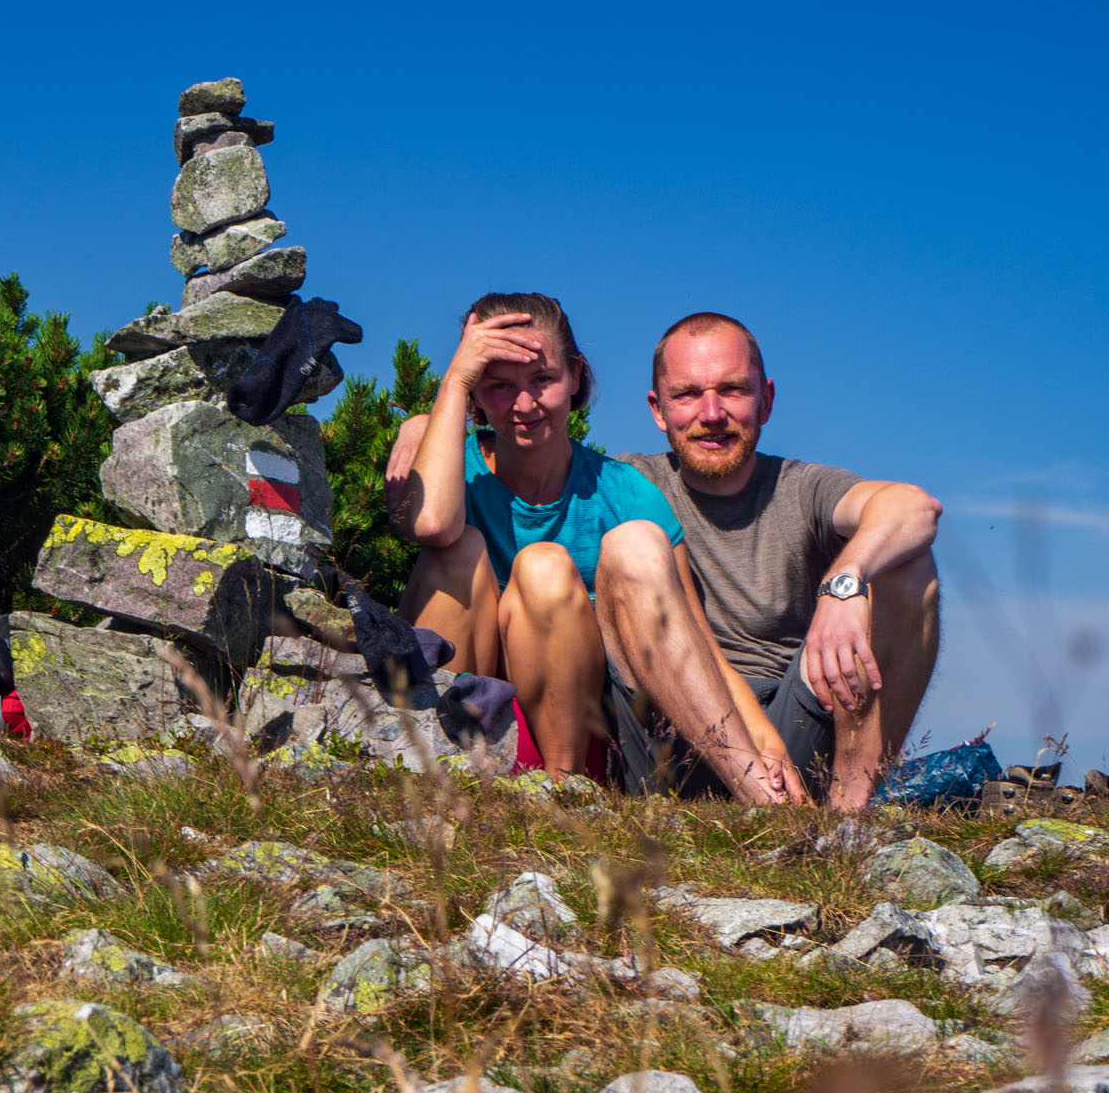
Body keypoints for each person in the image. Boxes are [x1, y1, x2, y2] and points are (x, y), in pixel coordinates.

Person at [389, 294, 799, 805]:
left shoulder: (624, 493)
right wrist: (450, 387)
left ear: (576, 376)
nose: (524, 404)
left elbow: (693, 642)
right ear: (475, 392)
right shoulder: (449, 467)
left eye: (542, 379)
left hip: (568, 733)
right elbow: (432, 524)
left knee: (543, 568)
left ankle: (563, 799)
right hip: (457, 722)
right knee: (457, 548)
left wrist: (763, 738)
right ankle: (435, 774)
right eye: (497, 386)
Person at [616, 312, 941, 809]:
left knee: (907, 564)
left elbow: (913, 507)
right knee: (628, 546)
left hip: (795, 733)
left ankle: (847, 818)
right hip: (665, 743)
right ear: (658, 410)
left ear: (766, 400)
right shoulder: (623, 483)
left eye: (732, 390)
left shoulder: (803, 488)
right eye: (687, 395)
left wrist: (844, 582)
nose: (711, 413)